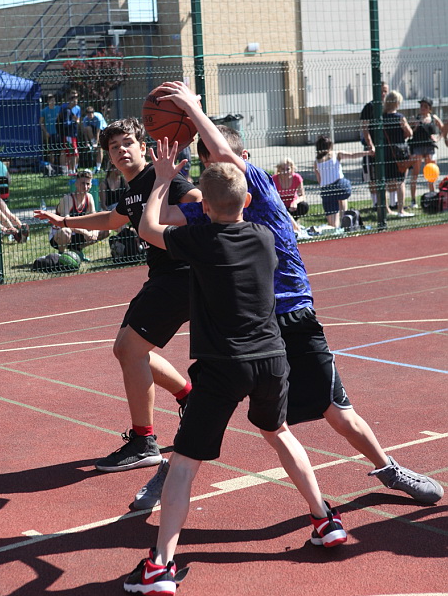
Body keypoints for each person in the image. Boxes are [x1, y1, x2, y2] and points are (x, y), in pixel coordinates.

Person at [134, 82, 443, 512]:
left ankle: (388, 468)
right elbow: (160, 219)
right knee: (204, 413)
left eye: (222, 161)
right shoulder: (209, 208)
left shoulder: (257, 188)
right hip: (242, 328)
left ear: (244, 159)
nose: (218, 170)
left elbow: (223, 159)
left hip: (293, 315)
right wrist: (163, 178)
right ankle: (173, 471)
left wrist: (192, 110)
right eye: (208, 167)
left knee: (337, 412)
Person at [124, 143, 347, 596]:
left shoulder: (200, 240)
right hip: (272, 359)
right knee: (279, 432)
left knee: (184, 463)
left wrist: (162, 179)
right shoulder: (265, 234)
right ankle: (325, 520)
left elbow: (148, 227)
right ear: (247, 200)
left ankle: (159, 566)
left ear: (204, 208)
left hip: (224, 365)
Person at [34, 118, 201, 471]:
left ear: (143, 147)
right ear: (109, 157)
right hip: (164, 277)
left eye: (127, 143)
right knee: (126, 349)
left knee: (129, 349)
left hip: (181, 274)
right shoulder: (133, 188)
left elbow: (200, 201)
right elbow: (112, 220)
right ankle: (189, 399)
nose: (121, 150)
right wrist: (64, 222)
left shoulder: (161, 177)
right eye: (114, 147)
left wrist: (183, 228)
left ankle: (144, 442)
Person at [363, 90, 414, 219]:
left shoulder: (381, 118)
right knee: (400, 181)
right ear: (397, 103)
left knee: (383, 182)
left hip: (384, 154)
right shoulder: (400, 117)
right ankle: (400, 210)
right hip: (399, 153)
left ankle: (386, 209)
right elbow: (409, 133)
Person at [314, 136, 369, 227]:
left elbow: (319, 179)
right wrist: (367, 152)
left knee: (332, 221)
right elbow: (352, 155)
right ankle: (344, 216)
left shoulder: (316, 161)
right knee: (342, 195)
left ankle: (335, 225)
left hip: (326, 189)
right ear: (330, 146)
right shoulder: (336, 154)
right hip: (340, 185)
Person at [48, 168, 101, 257]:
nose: (85, 187)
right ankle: (61, 257)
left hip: (78, 234)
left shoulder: (89, 197)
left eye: (88, 184)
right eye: (82, 183)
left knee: (105, 230)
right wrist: (85, 232)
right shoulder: (68, 199)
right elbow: (65, 223)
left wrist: (95, 232)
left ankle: (77, 250)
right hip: (59, 235)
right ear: (76, 184)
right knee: (66, 231)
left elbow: (94, 219)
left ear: (91, 185)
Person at [408, 97, 443, 208]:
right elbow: (408, 133)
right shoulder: (415, 118)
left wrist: (438, 138)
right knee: (415, 174)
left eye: (425, 106)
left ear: (429, 108)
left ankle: (433, 197)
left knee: (431, 174)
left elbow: (443, 129)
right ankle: (413, 200)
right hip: (417, 147)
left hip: (429, 147)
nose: (423, 108)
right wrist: (414, 127)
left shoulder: (433, 118)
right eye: (421, 106)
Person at [360, 82, 389, 208]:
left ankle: (390, 203)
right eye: (381, 91)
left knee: (386, 175)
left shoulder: (387, 107)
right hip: (372, 147)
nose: (383, 94)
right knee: (372, 176)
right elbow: (364, 128)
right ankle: (375, 203)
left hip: (385, 147)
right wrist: (370, 145)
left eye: (385, 91)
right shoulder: (369, 107)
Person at [56, 90, 81, 176]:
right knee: (70, 151)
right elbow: (65, 122)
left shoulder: (77, 108)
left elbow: (77, 119)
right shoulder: (66, 109)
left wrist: (76, 121)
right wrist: (74, 121)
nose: (76, 101)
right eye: (74, 99)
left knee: (73, 152)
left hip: (73, 133)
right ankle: (68, 170)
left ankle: (72, 169)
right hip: (67, 134)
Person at [81, 105, 107, 172]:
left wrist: (97, 142)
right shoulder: (85, 119)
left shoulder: (98, 117)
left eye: (91, 114)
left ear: (93, 113)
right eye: (88, 114)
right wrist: (87, 142)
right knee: (88, 128)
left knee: (99, 148)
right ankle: (92, 142)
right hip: (93, 130)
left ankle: (98, 167)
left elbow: (98, 131)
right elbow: (85, 132)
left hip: (102, 130)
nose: (90, 116)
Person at [39, 94, 60, 169]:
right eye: (51, 100)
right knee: (51, 151)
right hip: (50, 133)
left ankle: (59, 166)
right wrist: (45, 132)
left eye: (54, 100)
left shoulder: (59, 109)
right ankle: (52, 167)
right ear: (48, 101)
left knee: (60, 150)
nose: (53, 102)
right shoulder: (44, 111)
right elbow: (41, 122)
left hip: (58, 133)